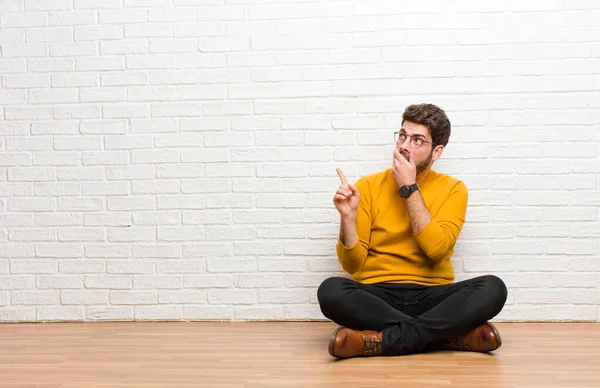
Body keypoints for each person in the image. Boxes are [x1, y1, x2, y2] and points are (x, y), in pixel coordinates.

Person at [318, 103, 508, 359]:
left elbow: (436, 250)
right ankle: (447, 336)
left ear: (437, 151)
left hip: (432, 295)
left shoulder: (454, 189)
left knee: (493, 288)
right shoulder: (368, 186)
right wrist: (348, 219)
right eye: (403, 136)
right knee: (331, 291)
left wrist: (409, 188)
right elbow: (352, 265)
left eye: (418, 140)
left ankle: (378, 341)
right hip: (378, 294)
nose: (405, 145)